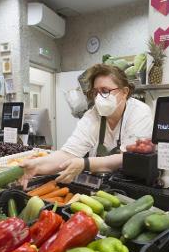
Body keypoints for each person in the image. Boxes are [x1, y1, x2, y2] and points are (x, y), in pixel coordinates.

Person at [20, 64, 153, 187]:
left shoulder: (139, 112)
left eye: (105, 91)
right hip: (102, 184)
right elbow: (68, 153)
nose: (99, 98)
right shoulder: (93, 114)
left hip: (131, 186)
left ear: (124, 92)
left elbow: (129, 158)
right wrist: (37, 166)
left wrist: (86, 164)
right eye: (96, 92)